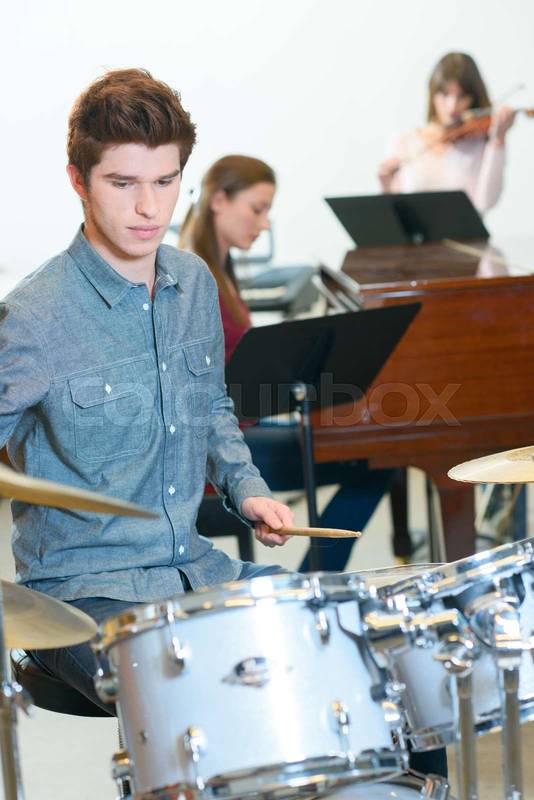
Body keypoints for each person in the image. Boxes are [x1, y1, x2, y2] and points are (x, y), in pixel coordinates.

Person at [0, 69, 294, 713]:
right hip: (82, 594)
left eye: (165, 182)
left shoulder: (193, 283)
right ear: (79, 181)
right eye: (123, 183)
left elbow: (210, 407)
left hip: (194, 567)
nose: (150, 208)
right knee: (198, 698)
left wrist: (246, 487)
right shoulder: (31, 318)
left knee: (352, 643)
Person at [179, 155, 396, 572]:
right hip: (219, 450)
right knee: (377, 461)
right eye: (257, 209)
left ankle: (316, 575)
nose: (263, 224)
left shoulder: (219, 268)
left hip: (243, 428)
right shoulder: (196, 277)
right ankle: (315, 579)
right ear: (219, 200)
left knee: (375, 455)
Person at [378, 52, 517, 213]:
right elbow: (397, 213)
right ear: (433, 93)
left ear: (473, 98)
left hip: (467, 230)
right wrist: (386, 187)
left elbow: (486, 202)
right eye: (444, 95)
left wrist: (498, 139)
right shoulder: (404, 142)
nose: (452, 106)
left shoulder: (481, 143)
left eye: (462, 96)